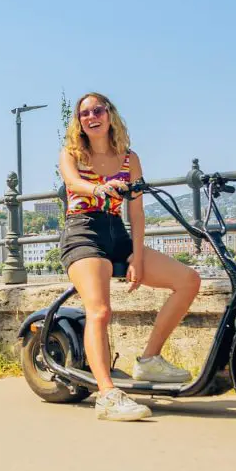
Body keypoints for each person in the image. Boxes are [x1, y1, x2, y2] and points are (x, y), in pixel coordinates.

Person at [59, 92, 201, 421]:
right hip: (83, 233)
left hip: (118, 235)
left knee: (188, 281)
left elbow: (136, 213)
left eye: (98, 110)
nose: (92, 116)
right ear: (78, 122)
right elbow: (72, 182)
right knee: (100, 310)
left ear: (110, 115)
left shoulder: (129, 158)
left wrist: (137, 256)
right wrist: (97, 189)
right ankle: (107, 395)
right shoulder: (71, 153)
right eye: (84, 113)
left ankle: (149, 360)